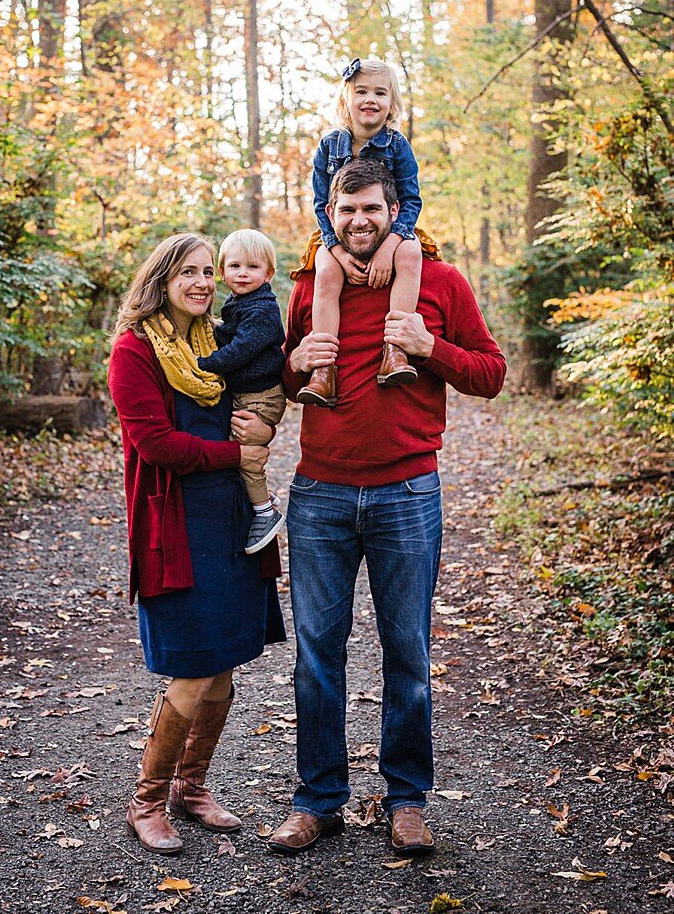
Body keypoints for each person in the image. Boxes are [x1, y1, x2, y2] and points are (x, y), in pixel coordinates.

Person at [269, 159, 505, 857]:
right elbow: (286, 377)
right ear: (331, 213)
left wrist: (431, 349)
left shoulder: (440, 281)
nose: (359, 221)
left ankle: (406, 801)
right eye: (347, 211)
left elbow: (491, 373)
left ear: (394, 209)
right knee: (317, 655)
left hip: (408, 492)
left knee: (408, 651)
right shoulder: (311, 283)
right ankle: (318, 801)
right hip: (320, 495)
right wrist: (293, 363)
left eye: (371, 208)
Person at [107, 233, 286, 855]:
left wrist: (264, 424)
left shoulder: (218, 342)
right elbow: (156, 444)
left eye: (209, 271)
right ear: (161, 279)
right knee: (192, 670)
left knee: (224, 669)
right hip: (175, 524)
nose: (203, 282)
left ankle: (193, 786)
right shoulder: (134, 352)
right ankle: (147, 801)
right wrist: (240, 451)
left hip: (232, 521)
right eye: (188, 272)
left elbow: (262, 392)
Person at [296, 58, 443, 407]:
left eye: (380, 92)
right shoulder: (329, 146)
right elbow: (321, 204)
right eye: (361, 91)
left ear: (392, 103)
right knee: (326, 270)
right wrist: (339, 250)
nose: (370, 99)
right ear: (346, 98)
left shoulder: (397, 145)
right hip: (338, 236)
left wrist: (390, 243)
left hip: (392, 231)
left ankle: (394, 350)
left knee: (410, 254)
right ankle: (324, 370)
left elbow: (410, 199)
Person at [195, 228, 288, 554]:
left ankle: (264, 512)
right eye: (235, 266)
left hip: (262, 396)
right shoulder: (240, 302)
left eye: (253, 267)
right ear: (222, 272)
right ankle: (261, 494)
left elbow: (242, 348)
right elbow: (230, 332)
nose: (243, 273)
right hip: (248, 392)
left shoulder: (263, 309)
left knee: (245, 455)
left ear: (268, 274)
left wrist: (206, 363)